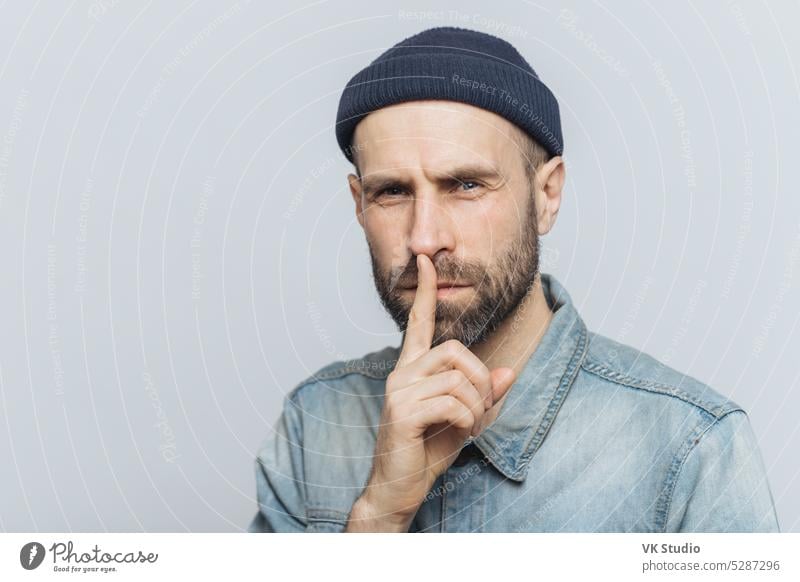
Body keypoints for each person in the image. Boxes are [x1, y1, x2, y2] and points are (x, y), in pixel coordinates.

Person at [248, 26, 780, 533]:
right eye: (392, 192)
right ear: (359, 205)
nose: (424, 238)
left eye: (466, 184)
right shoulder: (314, 423)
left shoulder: (690, 448)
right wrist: (379, 514)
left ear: (546, 196)